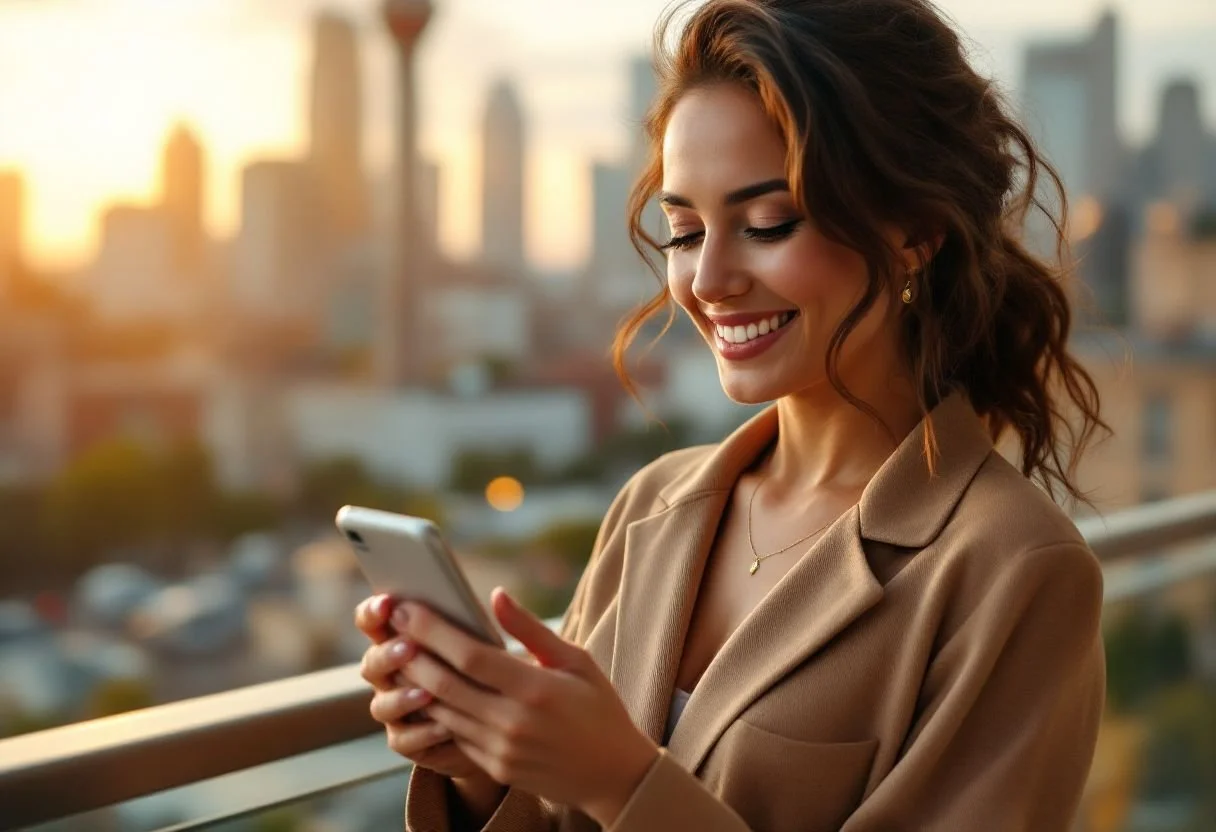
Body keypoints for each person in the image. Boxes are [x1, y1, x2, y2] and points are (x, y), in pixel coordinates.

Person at [356, 0, 1111, 828]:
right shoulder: (653, 506)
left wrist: (621, 781)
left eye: (766, 223)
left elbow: (609, 788)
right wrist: (482, 769)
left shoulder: (1016, 570)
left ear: (914, 234)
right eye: (684, 231)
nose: (708, 279)